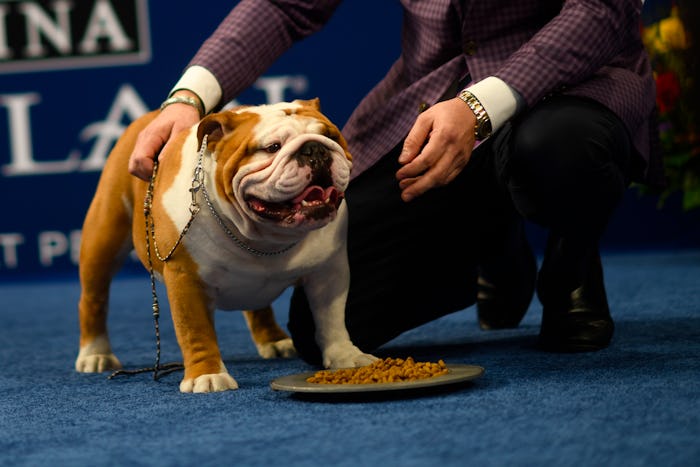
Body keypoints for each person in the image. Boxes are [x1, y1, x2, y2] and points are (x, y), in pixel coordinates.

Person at [128, 0, 662, 364]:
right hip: (431, 96)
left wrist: (479, 106)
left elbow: (599, 11)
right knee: (325, 338)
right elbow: (285, 5)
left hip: (575, 90)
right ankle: (497, 238)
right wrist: (189, 96)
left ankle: (571, 265)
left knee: (557, 151)